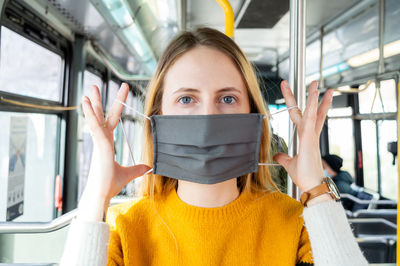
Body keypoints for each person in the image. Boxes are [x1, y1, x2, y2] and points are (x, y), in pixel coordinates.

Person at [60, 28, 368, 266]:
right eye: (186, 99)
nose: (208, 117)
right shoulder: (125, 229)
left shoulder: (295, 223)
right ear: (157, 118)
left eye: (227, 98)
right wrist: (96, 196)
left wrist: (316, 189)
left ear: (253, 115)